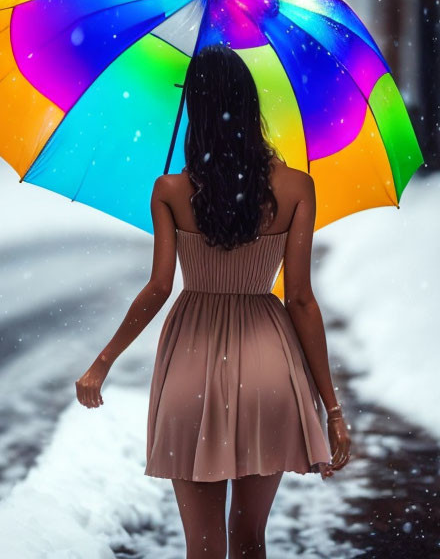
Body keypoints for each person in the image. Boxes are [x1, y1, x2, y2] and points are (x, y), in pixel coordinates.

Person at [75, 43, 351, 558]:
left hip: (191, 368)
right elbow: (301, 300)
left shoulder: (169, 191)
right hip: (270, 366)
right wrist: (331, 407)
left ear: (194, 112)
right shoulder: (296, 188)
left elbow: (159, 287)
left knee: (203, 549)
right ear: (249, 106)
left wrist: (102, 362)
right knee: (249, 541)